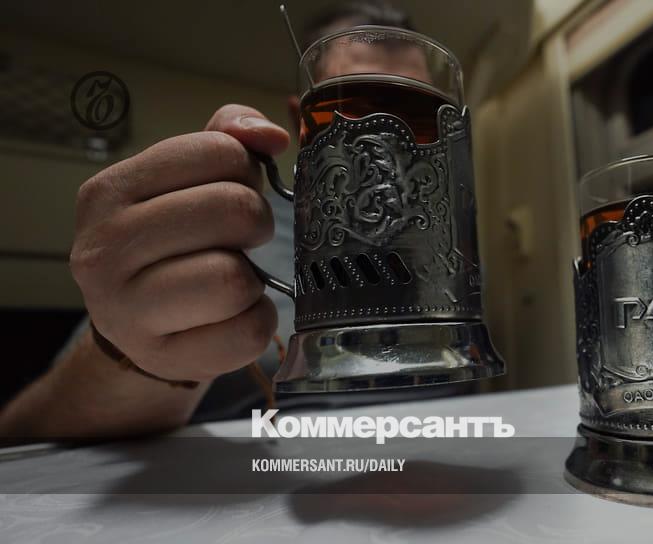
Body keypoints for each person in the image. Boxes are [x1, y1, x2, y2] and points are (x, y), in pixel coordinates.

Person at [0, 0, 453, 439]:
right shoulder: (226, 229)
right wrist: (141, 357)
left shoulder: (448, 248)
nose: (389, 134)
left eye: (414, 113)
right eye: (359, 104)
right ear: (302, 118)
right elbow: (24, 435)